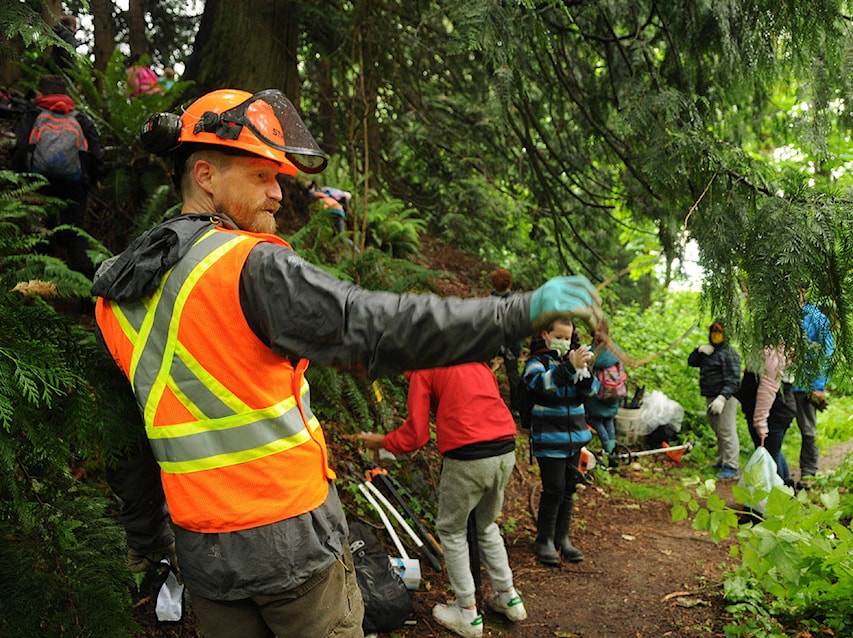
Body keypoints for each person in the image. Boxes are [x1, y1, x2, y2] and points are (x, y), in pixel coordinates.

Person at [91, 87, 602, 638]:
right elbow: (377, 327)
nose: (278, 193)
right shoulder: (248, 266)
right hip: (291, 546)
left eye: (280, 177)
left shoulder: (117, 296)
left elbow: (126, 447)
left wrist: (150, 541)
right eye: (262, 174)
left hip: (205, 557)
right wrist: (517, 313)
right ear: (207, 173)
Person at [357, 363, 527, 638]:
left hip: (468, 457)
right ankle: (508, 596)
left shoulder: (424, 366)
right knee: (486, 526)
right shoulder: (473, 358)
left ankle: (468, 613)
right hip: (505, 451)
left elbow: (416, 435)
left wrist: (383, 442)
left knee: (452, 530)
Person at [523, 317, 598, 566]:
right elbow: (540, 385)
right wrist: (567, 368)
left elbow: (591, 392)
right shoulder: (537, 362)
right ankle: (544, 540)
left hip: (575, 437)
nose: (564, 342)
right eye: (559, 336)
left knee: (569, 488)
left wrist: (584, 372)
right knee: (553, 488)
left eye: (568, 338)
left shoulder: (573, 361)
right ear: (546, 335)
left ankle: (562, 538)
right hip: (549, 437)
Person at [14, 73, 103, 280]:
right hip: (74, 183)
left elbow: (21, 149)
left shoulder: (33, 115)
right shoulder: (80, 119)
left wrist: (23, 180)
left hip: (38, 182)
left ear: (41, 92)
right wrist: (93, 178)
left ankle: (42, 284)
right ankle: (84, 288)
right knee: (75, 232)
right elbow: (95, 153)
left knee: (40, 229)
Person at [792, 285, 835, 489]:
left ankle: (808, 474)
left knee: (808, 431)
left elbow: (826, 352)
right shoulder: (779, 316)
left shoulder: (817, 318)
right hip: (781, 385)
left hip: (805, 386)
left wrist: (818, 386)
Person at [687, 320, 742, 479]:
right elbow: (692, 362)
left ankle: (732, 466)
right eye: (713, 333)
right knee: (717, 429)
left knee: (726, 430)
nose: (715, 336)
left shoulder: (730, 354)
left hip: (725, 398)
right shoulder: (708, 351)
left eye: (718, 333)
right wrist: (698, 351)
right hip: (710, 395)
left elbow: (733, 380)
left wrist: (722, 398)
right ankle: (721, 460)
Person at [736, 346, 796, 488]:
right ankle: (787, 488)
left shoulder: (773, 345)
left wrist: (760, 421)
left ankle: (776, 501)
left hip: (772, 412)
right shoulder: (769, 341)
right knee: (773, 451)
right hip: (772, 409)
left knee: (770, 458)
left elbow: (769, 385)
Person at [583, 319, 621, 462]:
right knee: (609, 420)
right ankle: (612, 453)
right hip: (615, 392)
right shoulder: (614, 349)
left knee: (597, 421)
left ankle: (609, 451)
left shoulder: (593, 351)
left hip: (599, 393)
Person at [490, 268, 523, 417]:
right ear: (509, 284)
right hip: (500, 343)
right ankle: (515, 406)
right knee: (513, 375)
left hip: (505, 343)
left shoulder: (490, 302)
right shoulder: (515, 301)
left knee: (513, 376)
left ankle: (515, 406)